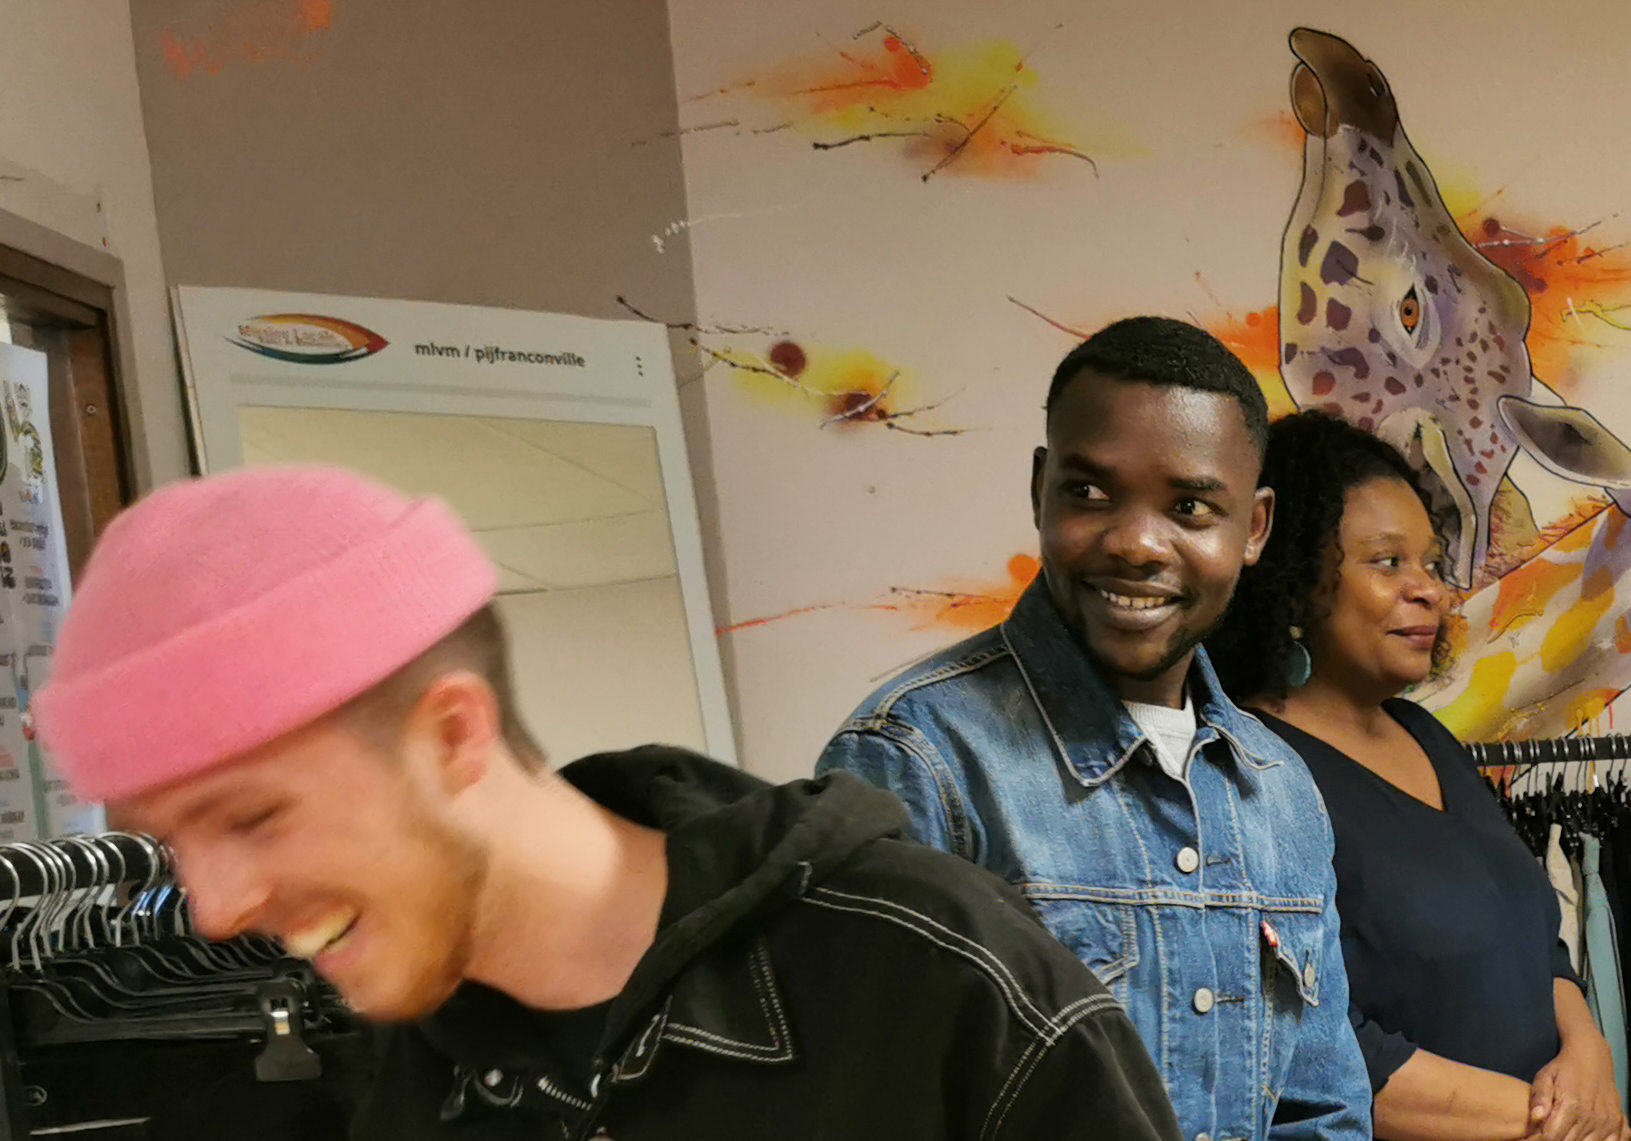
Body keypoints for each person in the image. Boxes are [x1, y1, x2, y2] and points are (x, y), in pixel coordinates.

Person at [33, 464, 1187, 1141]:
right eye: (170, 837)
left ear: (451, 735)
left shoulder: (941, 981)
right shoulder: (401, 1081)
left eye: (251, 817)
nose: (218, 907)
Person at [818, 317, 1371, 1141]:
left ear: (1251, 528)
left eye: (1188, 506)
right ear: (1040, 487)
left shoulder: (1280, 787)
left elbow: (1319, 1111)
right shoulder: (917, 758)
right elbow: (854, 1109)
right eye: (1089, 492)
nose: (1135, 543)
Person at [1207, 410, 1630, 1141]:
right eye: (1386, 561)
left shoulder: (1425, 735)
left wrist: (1588, 1054)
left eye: (1430, 563)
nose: (1429, 590)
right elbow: (1309, 1046)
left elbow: (1537, 947)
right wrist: (1555, 1125)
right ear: (1296, 578)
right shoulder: (1251, 770)